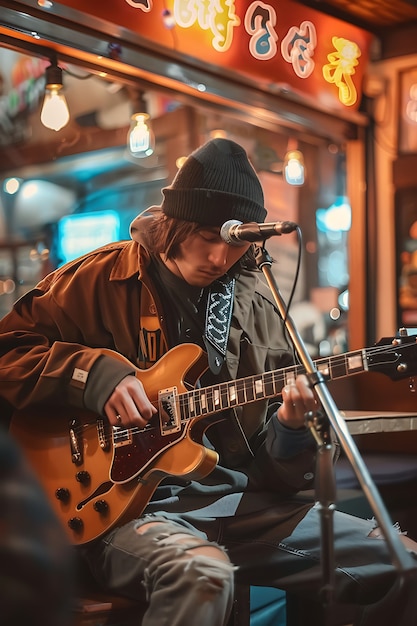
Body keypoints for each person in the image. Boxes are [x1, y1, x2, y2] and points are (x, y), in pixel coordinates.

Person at [0, 137, 416, 626]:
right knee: (204, 575)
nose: (220, 256)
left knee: (402, 561)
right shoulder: (99, 277)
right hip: (118, 507)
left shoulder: (260, 307)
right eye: (207, 236)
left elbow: (272, 468)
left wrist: (289, 425)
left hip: (234, 503)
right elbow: (10, 351)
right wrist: (96, 376)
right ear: (176, 225)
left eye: (235, 242)